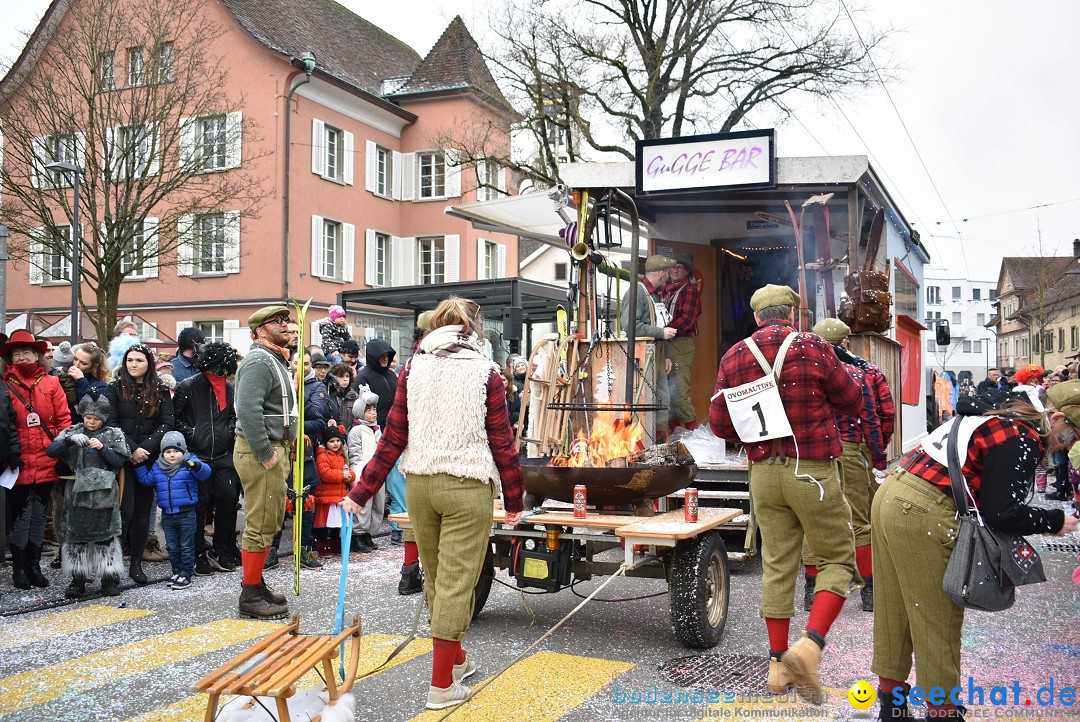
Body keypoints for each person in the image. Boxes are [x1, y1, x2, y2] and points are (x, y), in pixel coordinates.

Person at [341, 297, 525, 710]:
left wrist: (359, 492)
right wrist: (514, 499)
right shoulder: (486, 372)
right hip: (467, 485)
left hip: (421, 484)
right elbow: (502, 442)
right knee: (457, 585)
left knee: (439, 579)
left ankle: (456, 662)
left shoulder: (412, 368)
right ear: (473, 330)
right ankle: (442, 686)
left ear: (432, 327)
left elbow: (392, 438)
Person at [872, 387, 1077, 720]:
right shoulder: (1022, 437)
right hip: (921, 509)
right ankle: (944, 713)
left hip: (892, 494)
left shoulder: (999, 417)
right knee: (936, 622)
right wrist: (1054, 520)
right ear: (1055, 418)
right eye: (1072, 435)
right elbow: (1003, 512)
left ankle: (891, 708)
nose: (1068, 445)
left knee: (893, 609)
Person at [708, 285, 863, 705]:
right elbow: (853, 401)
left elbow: (720, 424)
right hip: (811, 470)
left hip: (763, 472)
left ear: (757, 318)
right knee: (835, 558)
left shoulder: (735, 355)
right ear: (793, 314)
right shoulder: (814, 346)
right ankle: (808, 648)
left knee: (776, 563)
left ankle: (778, 665)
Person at [806, 318, 887, 613]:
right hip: (850, 452)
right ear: (846, 343)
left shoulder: (804, 371)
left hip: (813, 452)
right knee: (858, 520)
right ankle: (870, 593)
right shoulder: (858, 374)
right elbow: (872, 421)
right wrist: (878, 459)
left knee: (813, 520)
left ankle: (811, 591)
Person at [233, 305, 297, 620]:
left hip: (274, 448)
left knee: (269, 521)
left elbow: (277, 408)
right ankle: (249, 596)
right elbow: (247, 408)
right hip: (262, 452)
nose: (287, 324)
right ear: (259, 331)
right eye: (279, 321)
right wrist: (264, 451)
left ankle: (256, 585)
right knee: (260, 524)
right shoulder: (260, 360)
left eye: (287, 319)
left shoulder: (273, 359)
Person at [3, 330, 72, 590]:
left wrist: (61, 445)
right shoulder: (5, 384)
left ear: (38, 355)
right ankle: (19, 569)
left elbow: (64, 419)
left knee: (39, 515)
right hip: (16, 459)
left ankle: (34, 566)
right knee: (20, 515)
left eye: (27, 352)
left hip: (46, 456)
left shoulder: (51, 383)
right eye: (16, 353)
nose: (22, 357)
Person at [46, 390, 129, 598]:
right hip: (77, 494)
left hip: (105, 494)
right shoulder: (73, 431)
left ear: (103, 419)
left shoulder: (113, 434)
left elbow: (119, 462)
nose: (91, 422)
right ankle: (78, 578)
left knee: (105, 537)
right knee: (77, 536)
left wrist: (103, 448)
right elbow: (51, 451)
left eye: (96, 419)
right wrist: (69, 440)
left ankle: (109, 578)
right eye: (88, 418)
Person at [105, 343, 174, 585]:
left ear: (149, 364)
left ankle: (136, 563)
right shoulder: (114, 389)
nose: (134, 364)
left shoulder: (160, 390)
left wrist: (146, 448)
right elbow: (111, 422)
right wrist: (132, 448)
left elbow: (167, 422)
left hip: (149, 458)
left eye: (139, 360)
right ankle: (113, 568)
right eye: (130, 360)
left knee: (143, 514)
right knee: (124, 513)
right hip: (123, 458)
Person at [172, 342, 242, 574]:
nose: (220, 376)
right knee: (199, 505)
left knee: (228, 499)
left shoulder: (229, 388)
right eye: (216, 370)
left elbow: (233, 416)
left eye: (224, 371)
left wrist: (228, 432)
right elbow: (176, 418)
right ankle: (198, 551)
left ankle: (222, 548)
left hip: (223, 453)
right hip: (198, 454)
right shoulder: (187, 386)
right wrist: (193, 435)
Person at [134, 432, 211, 590]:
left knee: (186, 545)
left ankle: (186, 573)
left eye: (176, 451)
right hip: (168, 515)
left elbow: (205, 473)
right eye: (168, 452)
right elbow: (146, 480)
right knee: (172, 547)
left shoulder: (189, 462)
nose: (172, 455)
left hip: (187, 513)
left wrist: (196, 466)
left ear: (183, 451)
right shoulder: (157, 466)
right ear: (162, 453)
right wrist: (138, 465)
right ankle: (176, 571)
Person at [620, 254, 677, 437]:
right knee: (647, 396)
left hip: (657, 351)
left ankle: (661, 439)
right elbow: (630, 326)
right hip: (643, 352)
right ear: (661, 273)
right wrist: (661, 333)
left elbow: (660, 324)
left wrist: (666, 354)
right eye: (668, 272)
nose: (669, 275)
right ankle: (646, 438)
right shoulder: (637, 292)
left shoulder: (654, 293)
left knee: (662, 396)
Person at [662, 252, 703, 433]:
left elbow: (687, 320)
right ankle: (675, 437)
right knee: (666, 394)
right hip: (665, 342)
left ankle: (694, 435)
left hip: (680, 344)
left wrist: (661, 329)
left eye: (680, 267)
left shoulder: (689, 290)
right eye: (673, 266)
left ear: (686, 271)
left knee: (678, 394)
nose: (676, 270)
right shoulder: (665, 289)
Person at [347, 387, 384, 554]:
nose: (372, 413)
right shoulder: (356, 430)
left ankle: (369, 532)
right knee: (364, 505)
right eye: (368, 410)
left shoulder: (377, 429)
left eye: (374, 409)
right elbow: (355, 454)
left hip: (378, 472)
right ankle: (358, 534)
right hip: (364, 472)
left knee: (378, 504)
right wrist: (358, 472)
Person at [313, 425, 354, 555]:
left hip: (339, 495)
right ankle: (323, 546)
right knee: (324, 523)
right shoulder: (322, 456)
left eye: (337, 440)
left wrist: (350, 476)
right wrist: (342, 475)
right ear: (326, 442)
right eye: (331, 441)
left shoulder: (342, 456)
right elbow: (325, 473)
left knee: (337, 522)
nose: (335, 444)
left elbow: (349, 471)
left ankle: (336, 545)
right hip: (326, 495)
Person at [354, 339, 397, 428]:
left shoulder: (392, 375)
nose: (385, 358)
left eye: (387, 355)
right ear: (373, 357)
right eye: (382, 356)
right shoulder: (363, 377)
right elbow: (359, 408)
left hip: (394, 427)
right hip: (373, 429)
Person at [327, 363, 359, 432]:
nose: (345, 379)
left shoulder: (354, 397)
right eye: (341, 376)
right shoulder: (329, 396)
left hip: (352, 433)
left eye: (347, 376)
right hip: (335, 435)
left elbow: (358, 418)